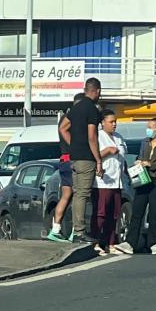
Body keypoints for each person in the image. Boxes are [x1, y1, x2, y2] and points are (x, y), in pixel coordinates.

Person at [117, 118, 156, 255]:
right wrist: (139, 162)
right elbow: (141, 156)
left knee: (154, 213)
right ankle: (130, 243)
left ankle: (153, 243)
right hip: (143, 179)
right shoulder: (145, 142)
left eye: (151, 127)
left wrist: (151, 164)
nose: (148, 129)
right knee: (137, 212)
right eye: (147, 127)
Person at [65, 78, 103, 244]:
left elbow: (62, 128)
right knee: (82, 194)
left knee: (77, 194)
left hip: (74, 157)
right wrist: (98, 159)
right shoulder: (91, 109)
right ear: (97, 91)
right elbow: (92, 136)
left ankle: (76, 230)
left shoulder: (76, 107)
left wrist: (73, 144)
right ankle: (79, 231)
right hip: (86, 158)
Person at [49, 92, 87, 242]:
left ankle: (56, 229)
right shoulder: (72, 118)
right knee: (78, 196)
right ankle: (75, 231)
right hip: (72, 160)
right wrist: (77, 148)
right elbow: (64, 131)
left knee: (66, 197)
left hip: (64, 160)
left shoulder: (64, 117)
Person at [92, 109, 125, 255]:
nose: (114, 125)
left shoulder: (119, 137)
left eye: (115, 122)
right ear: (102, 123)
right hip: (102, 181)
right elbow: (93, 157)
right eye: (111, 122)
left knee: (114, 214)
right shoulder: (97, 137)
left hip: (117, 181)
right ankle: (96, 242)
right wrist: (107, 151)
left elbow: (123, 158)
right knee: (101, 213)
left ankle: (112, 243)